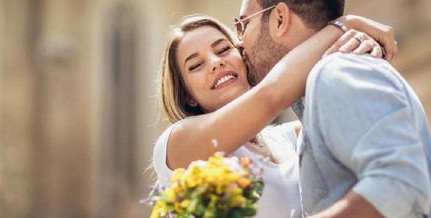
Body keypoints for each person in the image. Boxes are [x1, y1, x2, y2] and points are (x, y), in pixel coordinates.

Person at [237, 0, 431, 217]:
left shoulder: (336, 72)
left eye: (243, 25)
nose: (240, 43)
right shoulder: (319, 91)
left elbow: (401, 184)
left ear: (279, 19)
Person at [153, 13, 396, 217]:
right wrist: (347, 24)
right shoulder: (176, 143)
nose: (215, 63)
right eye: (195, 66)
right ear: (188, 96)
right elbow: (271, 95)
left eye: (224, 49)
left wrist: (362, 51)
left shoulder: (289, 138)